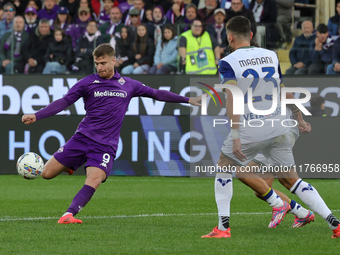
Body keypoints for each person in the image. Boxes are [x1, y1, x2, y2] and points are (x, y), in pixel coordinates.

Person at [21, 43, 202, 224]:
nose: (100, 67)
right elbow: (64, 101)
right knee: (46, 173)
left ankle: (68, 215)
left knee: (95, 178)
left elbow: (156, 94)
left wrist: (187, 99)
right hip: (82, 138)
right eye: (97, 63)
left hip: (105, 145)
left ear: (113, 61)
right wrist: (37, 115)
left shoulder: (129, 85)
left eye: (103, 63)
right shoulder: (87, 83)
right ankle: (73, 163)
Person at [201, 16, 340, 239]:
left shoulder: (228, 61)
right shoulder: (271, 55)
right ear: (252, 35)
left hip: (252, 126)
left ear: (229, 38)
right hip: (281, 125)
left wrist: (235, 134)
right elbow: (284, 91)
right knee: (292, 180)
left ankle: (223, 228)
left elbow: (232, 97)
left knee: (225, 166)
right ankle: (335, 224)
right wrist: (300, 118)